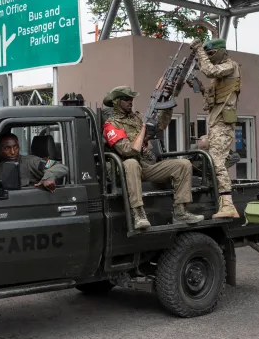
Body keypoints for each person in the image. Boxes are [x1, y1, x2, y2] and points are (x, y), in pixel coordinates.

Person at [102, 86, 203, 231]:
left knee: (183, 164)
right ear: (117, 102)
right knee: (131, 163)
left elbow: (161, 125)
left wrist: (166, 102)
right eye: (126, 99)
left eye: (131, 99)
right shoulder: (111, 125)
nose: (130, 101)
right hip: (124, 169)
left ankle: (180, 211)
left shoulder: (137, 118)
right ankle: (138, 213)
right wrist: (144, 132)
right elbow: (127, 150)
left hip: (144, 164)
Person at [190, 38, 241, 219]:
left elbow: (209, 70)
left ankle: (227, 204)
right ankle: (222, 199)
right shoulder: (219, 80)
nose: (209, 57)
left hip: (223, 124)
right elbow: (210, 103)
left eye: (211, 53)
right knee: (211, 158)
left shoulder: (230, 66)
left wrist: (199, 50)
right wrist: (201, 88)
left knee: (217, 159)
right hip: (216, 122)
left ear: (222, 51)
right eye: (207, 54)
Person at [0, 133, 69, 192]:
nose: (13, 152)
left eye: (15, 147)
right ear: (0, 150)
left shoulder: (32, 162)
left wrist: (47, 178)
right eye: (7, 148)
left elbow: (59, 166)